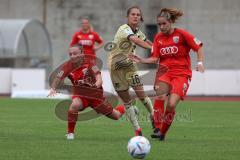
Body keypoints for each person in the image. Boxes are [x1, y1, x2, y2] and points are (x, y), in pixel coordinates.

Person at [129, 8, 205, 140]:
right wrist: (141, 60)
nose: (161, 27)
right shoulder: (158, 38)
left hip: (182, 74)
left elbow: (199, 46)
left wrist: (199, 63)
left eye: (164, 24)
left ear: (170, 22)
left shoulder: (181, 34)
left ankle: (162, 133)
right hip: (164, 73)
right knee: (160, 96)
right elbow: (154, 58)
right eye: (159, 24)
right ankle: (157, 127)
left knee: (171, 104)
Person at [48, 45, 125, 140]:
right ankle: (70, 134)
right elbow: (58, 77)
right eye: (70, 54)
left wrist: (97, 83)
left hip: (96, 97)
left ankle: (126, 108)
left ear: (82, 53)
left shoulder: (91, 64)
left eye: (75, 53)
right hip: (80, 95)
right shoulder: (67, 66)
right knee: (74, 105)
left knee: (116, 116)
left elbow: (98, 77)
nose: (72, 56)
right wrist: (53, 88)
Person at [108, 6, 154, 136]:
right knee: (127, 102)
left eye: (138, 15)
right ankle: (138, 130)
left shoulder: (139, 31)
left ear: (140, 18)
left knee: (141, 94)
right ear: (128, 17)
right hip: (116, 68)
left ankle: (153, 116)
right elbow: (136, 40)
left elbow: (145, 40)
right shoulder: (124, 29)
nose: (135, 16)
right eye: (133, 14)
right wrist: (154, 48)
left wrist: (156, 48)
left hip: (130, 66)